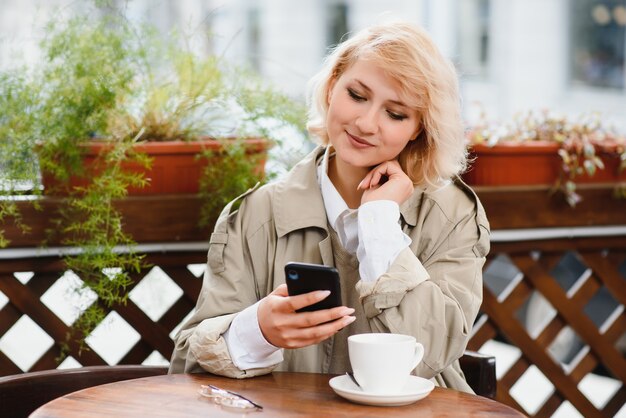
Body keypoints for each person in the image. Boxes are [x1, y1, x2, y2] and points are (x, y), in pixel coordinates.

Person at [169, 21, 490, 393]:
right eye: (356, 94)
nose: (366, 123)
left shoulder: (452, 214)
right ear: (333, 82)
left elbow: (432, 353)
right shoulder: (256, 215)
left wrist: (379, 224)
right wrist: (258, 330)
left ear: (419, 128)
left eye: (396, 113)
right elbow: (186, 367)